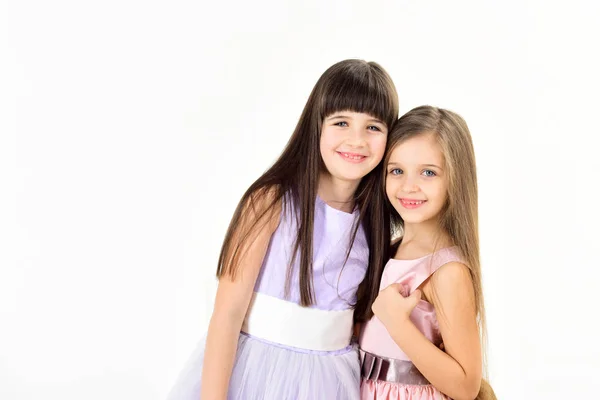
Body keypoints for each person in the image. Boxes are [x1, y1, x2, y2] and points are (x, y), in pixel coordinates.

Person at [167, 59, 399, 400]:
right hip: (256, 373)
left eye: (373, 127)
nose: (357, 140)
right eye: (341, 122)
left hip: (332, 380)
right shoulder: (272, 200)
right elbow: (227, 314)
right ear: (316, 125)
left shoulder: (374, 222)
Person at [359, 106, 496, 400]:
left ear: (455, 180)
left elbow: (465, 386)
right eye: (397, 171)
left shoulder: (447, 271)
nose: (409, 186)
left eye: (428, 173)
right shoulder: (391, 250)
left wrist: (397, 323)